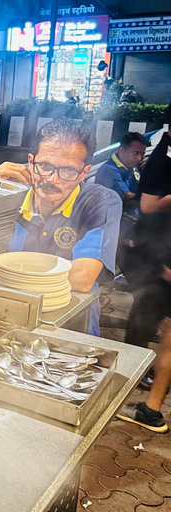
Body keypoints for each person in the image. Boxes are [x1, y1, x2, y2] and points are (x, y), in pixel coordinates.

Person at [0, 119, 122, 337]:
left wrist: (5, 268)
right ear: (30, 162)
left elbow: (82, 277)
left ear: (84, 172)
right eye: (45, 166)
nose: (52, 179)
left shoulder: (100, 202)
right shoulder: (7, 194)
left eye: (68, 171)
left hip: (71, 331)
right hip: (5, 320)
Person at [116, 104, 171, 433]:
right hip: (154, 258)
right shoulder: (162, 158)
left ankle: (149, 403)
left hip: (163, 258)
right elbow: (148, 205)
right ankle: (130, 385)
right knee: (143, 319)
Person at [94, 132, 149, 271]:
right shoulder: (110, 170)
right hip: (115, 233)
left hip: (130, 229)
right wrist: (153, 198)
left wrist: (147, 172)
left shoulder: (134, 169)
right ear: (122, 150)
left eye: (142, 154)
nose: (139, 158)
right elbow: (128, 198)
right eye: (135, 153)